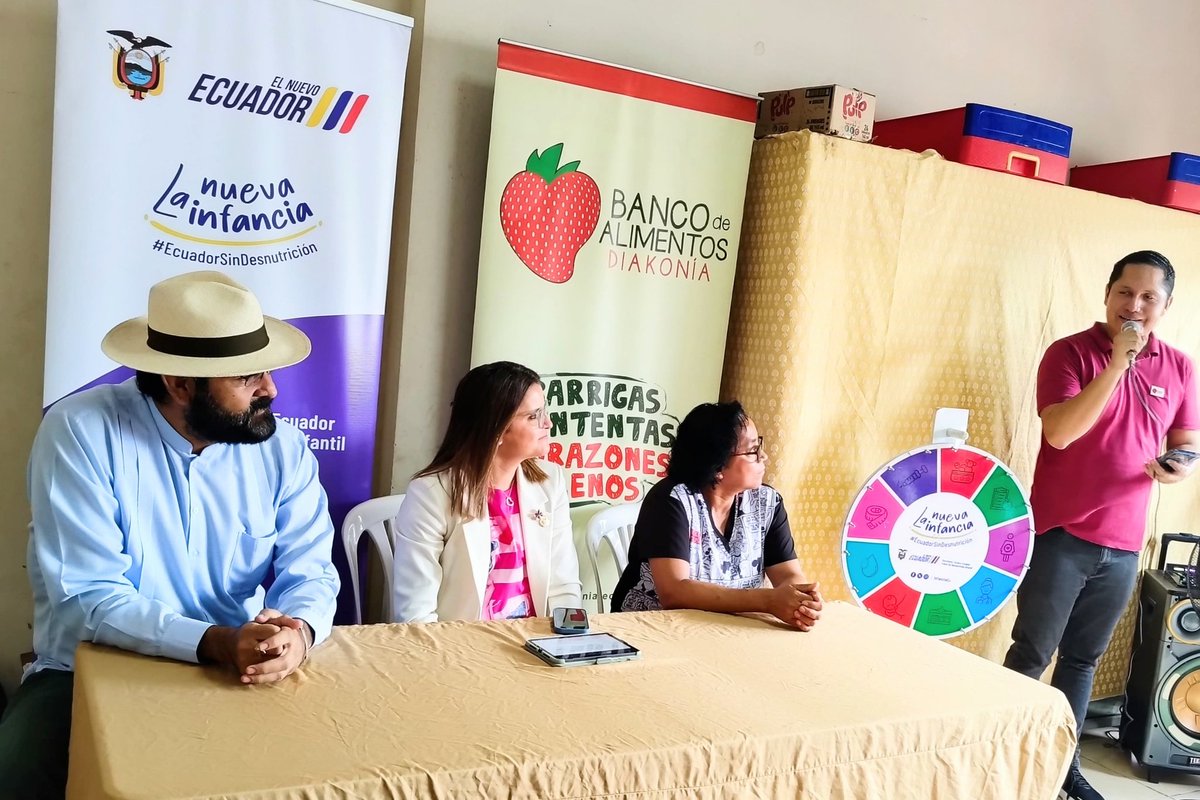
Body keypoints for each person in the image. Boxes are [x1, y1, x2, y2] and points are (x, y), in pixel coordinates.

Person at [0, 271, 341, 798]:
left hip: (239, 667)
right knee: (18, 770)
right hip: (91, 667)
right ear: (180, 384)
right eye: (248, 378)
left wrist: (297, 631)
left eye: (266, 372)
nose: (271, 390)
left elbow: (312, 570)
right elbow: (89, 597)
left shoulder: (284, 450)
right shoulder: (79, 431)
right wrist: (215, 642)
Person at [1004, 251, 1199, 800]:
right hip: (1060, 534)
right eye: (1124, 293)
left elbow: (1186, 444)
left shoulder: (1180, 367)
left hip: (1124, 542)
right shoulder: (1069, 353)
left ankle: (1063, 770)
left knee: (1083, 659)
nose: (1133, 307)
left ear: (1165, 306)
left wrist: (1180, 467)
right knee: (1032, 652)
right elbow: (1061, 433)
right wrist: (1117, 363)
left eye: (1148, 298)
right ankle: (1003, 758)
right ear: (1107, 293)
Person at [392, 361, 582, 622]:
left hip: (537, 646)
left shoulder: (551, 481)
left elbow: (564, 586)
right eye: (533, 416)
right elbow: (416, 614)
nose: (548, 423)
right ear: (496, 428)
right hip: (461, 649)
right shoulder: (430, 494)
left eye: (544, 411)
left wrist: (569, 644)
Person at [610, 400, 822, 630]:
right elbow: (675, 591)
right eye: (752, 450)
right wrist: (768, 600)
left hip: (727, 629)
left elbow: (788, 573)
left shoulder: (767, 502)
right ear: (718, 467)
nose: (764, 457)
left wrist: (801, 602)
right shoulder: (670, 500)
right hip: (653, 629)